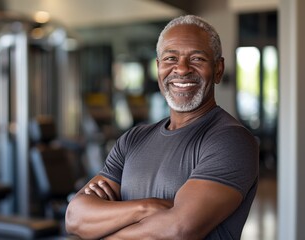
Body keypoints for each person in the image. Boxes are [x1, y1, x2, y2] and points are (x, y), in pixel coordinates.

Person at [65, 15, 259, 240]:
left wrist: (101, 230)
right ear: (158, 68)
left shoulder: (231, 140)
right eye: (170, 58)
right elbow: (75, 217)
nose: (182, 69)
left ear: (218, 69)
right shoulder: (133, 139)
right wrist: (146, 207)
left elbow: (178, 231)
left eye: (197, 58)